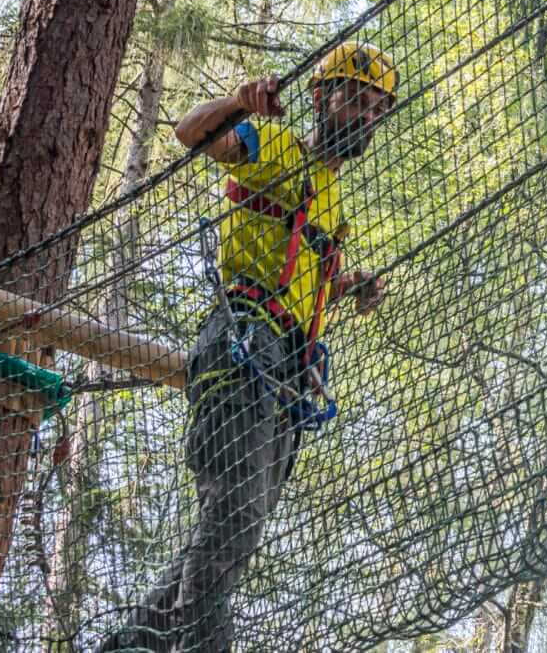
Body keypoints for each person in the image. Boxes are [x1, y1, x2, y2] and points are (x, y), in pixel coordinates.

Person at [101, 42, 397, 652]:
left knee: (229, 535)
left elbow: (295, 268)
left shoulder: (332, 195)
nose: (366, 117)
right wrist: (240, 103)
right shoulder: (278, 145)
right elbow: (192, 133)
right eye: (355, 100)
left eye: (377, 110)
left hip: (286, 373)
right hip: (244, 342)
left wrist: (346, 285)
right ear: (321, 97)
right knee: (233, 521)